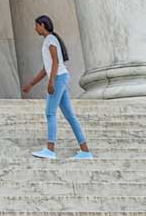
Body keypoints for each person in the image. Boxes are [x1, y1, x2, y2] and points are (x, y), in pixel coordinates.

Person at [22, 15, 93, 161]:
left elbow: (54, 62)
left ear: (42, 25)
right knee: (69, 116)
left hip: (59, 78)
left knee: (50, 112)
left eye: (36, 26)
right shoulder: (50, 40)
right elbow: (45, 68)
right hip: (60, 77)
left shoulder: (50, 40)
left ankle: (50, 149)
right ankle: (85, 151)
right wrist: (31, 84)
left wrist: (51, 82)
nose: (35, 29)